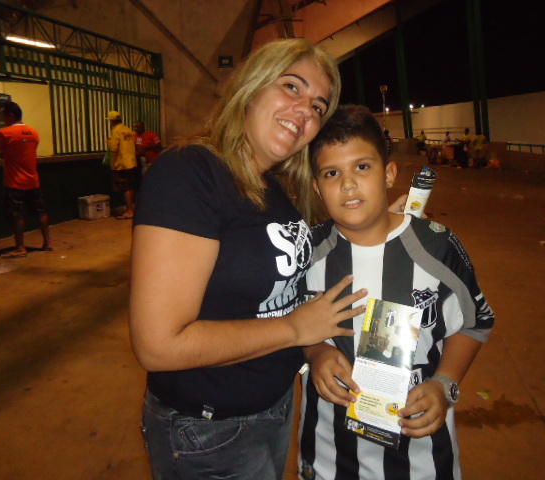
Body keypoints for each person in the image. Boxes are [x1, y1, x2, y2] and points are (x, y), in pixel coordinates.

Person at [129, 38, 369, 480]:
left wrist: (314, 348)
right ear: (251, 87)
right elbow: (158, 345)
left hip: (274, 409)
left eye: (318, 106)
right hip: (209, 432)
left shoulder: (275, 191)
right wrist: (297, 330)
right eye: (292, 87)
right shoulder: (190, 174)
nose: (305, 111)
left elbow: (281, 300)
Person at [299, 105, 495, 479]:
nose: (348, 184)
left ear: (389, 173)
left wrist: (445, 384)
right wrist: (316, 350)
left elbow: (476, 323)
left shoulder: (437, 248)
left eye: (362, 167)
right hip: (327, 457)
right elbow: (288, 322)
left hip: (422, 461)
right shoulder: (307, 254)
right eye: (331, 173)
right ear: (316, 186)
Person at [0, 101, 52, 258]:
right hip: (33, 180)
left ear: (11, 115)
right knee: (41, 212)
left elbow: (2, 154)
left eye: (4, 115)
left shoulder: (3, 133)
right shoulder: (34, 132)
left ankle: (21, 247)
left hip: (14, 182)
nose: (2, 119)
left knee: (17, 215)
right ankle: (47, 243)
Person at [107, 110, 138, 219]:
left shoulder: (116, 131)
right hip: (131, 161)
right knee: (130, 186)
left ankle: (129, 211)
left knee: (124, 187)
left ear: (112, 121)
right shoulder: (128, 130)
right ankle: (131, 208)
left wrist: (109, 142)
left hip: (121, 164)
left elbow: (114, 148)